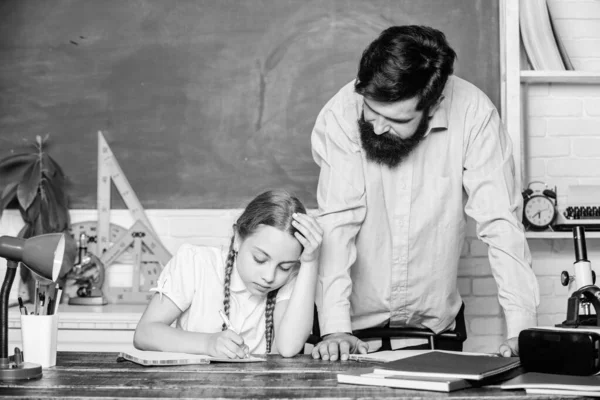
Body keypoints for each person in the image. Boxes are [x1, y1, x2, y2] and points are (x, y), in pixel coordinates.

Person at [310, 25, 539, 361]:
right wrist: (334, 327)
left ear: (433, 106)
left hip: (435, 328)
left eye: (395, 119)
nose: (376, 127)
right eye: (371, 112)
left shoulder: (475, 114)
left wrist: (523, 331)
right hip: (349, 331)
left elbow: (500, 223)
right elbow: (337, 224)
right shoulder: (341, 113)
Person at [134, 189, 323, 358]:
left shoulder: (291, 278)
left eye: (284, 267)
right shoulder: (196, 263)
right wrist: (208, 343)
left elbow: (288, 348)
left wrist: (310, 261)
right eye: (259, 259)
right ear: (238, 239)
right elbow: (144, 333)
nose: (269, 276)